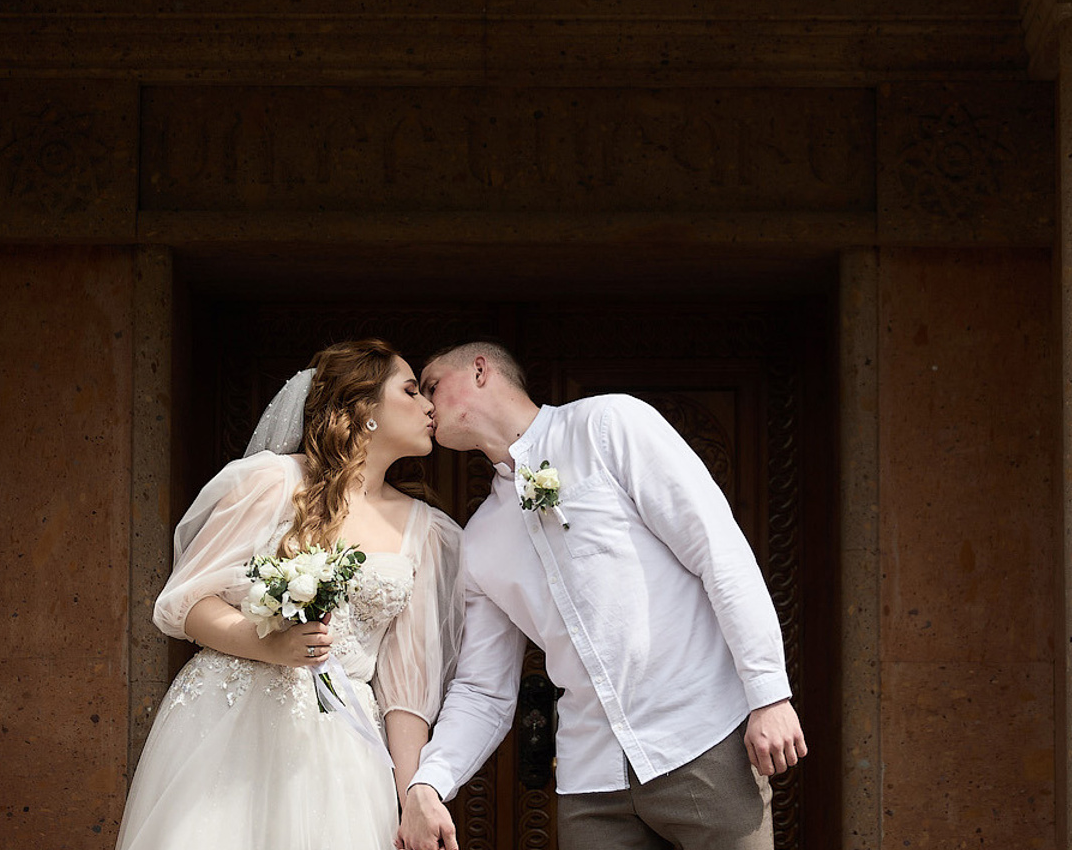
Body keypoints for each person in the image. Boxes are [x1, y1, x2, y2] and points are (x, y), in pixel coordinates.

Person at [398, 341, 805, 850]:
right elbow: (483, 688)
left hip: (702, 740)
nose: (427, 406)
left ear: (480, 370)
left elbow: (717, 551)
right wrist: (431, 781)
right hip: (591, 785)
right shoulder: (479, 540)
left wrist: (769, 692)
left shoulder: (610, 425)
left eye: (431, 385)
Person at [116, 339, 463, 850]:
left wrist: (413, 793)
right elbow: (187, 602)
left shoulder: (426, 531)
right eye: (410, 391)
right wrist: (269, 645)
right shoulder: (273, 483)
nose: (429, 405)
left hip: (341, 740)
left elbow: (407, 685)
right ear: (362, 407)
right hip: (235, 720)